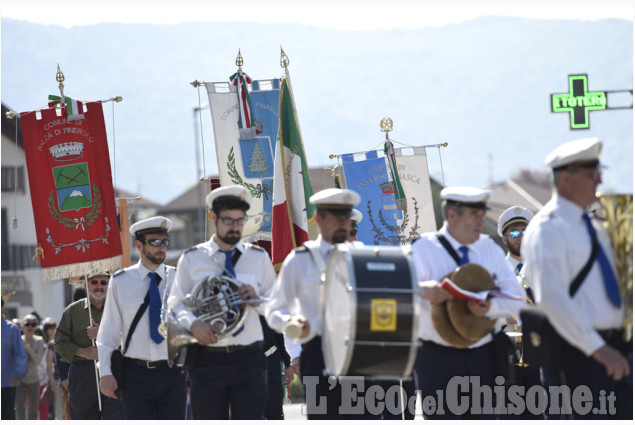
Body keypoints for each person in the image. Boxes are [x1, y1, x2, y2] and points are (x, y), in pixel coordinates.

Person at [521, 138, 632, 419]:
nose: (600, 180)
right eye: (592, 174)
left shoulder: (591, 225)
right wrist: (599, 349)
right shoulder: (548, 228)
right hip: (580, 356)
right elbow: (553, 299)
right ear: (567, 179)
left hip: (613, 349)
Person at [411, 186, 525, 419]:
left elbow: (517, 299)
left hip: (483, 357)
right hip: (437, 359)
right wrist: (422, 290)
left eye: (482, 215)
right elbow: (395, 293)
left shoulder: (490, 249)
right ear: (452, 215)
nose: (480, 222)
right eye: (475, 215)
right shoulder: (422, 249)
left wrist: (491, 307)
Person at [267, 188, 381, 420]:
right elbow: (274, 309)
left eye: (346, 218)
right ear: (318, 218)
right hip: (318, 355)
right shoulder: (300, 260)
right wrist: (291, 325)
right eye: (336, 218)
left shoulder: (366, 257)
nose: (343, 224)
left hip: (360, 352)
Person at [169, 185, 276, 420]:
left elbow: (276, 304)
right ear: (213, 217)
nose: (236, 226)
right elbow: (176, 303)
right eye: (228, 220)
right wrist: (194, 324)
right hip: (207, 359)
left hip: (249, 358)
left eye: (240, 220)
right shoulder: (192, 258)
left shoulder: (258, 257)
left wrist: (256, 299)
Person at [98, 217, 187, 419]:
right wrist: (105, 371)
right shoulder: (121, 282)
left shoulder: (179, 278)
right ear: (139, 245)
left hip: (173, 372)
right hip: (135, 374)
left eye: (165, 241)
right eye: (155, 242)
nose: (161, 247)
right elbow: (108, 332)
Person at [54, 272, 124, 420]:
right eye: (94, 282)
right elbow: (60, 342)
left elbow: (131, 339)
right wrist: (83, 352)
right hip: (82, 374)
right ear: (85, 284)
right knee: (83, 417)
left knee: (116, 417)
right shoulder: (72, 311)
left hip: (114, 370)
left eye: (103, 283)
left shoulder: (121, 308)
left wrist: (102, 335)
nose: (99, 286)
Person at [497, 205, 544, 420]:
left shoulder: (544, 268)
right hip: (508, 357)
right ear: (504, 238)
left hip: (541, 354)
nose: (520, 237)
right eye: (514, 233)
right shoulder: (495, 271)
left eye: (525, 231)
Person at [260, 316, 294, 420]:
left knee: (275, 412)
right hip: (248, 363)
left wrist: (287, 365)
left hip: (272, 361)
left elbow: (280, 338)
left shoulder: (268, 304)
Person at [15, 314, 45, 420]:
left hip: (33, 378)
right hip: (18, 378)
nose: (30, 327)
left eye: (33, 324)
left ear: (36, 326)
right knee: (19, 408)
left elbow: (37, 361)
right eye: (27, 324)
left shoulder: (39, 340)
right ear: (23, 326)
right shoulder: (17, 339)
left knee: (33, 410)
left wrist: (28, 348)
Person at [1, 299, 28, 420]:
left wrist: (18, 375)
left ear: (2, 309)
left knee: (6, 416)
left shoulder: (12, 329)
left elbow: (20, 354)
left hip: (7, 381)